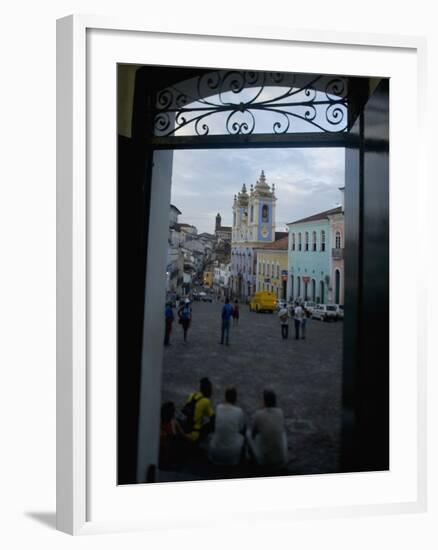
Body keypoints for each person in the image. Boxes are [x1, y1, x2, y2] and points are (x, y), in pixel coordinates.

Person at [246, 389, 288, 469]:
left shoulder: (258, 414)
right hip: (281, 460)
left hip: (264, 461)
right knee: (283, 433)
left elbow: (253, 434)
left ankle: (250, 458)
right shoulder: (280, 412)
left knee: (248, 434)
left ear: (264, 401)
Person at [209, 387, 245, 466]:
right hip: (232, 456)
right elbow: (241, 428)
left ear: (225, 397)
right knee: (244, 435)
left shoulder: (218, 407)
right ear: (235, 398)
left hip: (215, 453)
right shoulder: (239, 411)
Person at [159, 401, 191, 469]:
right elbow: (183, 435)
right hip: (168, 450)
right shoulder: (172, 423)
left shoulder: (168, 422)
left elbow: (183, 434)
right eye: (173, 410)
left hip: (167, 449)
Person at [184, 377, 215, 443]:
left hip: (186, 428)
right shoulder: (206, 401)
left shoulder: (192, 395)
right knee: (213, 423)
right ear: (208, 390)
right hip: (195, 434)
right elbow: (212, 417)